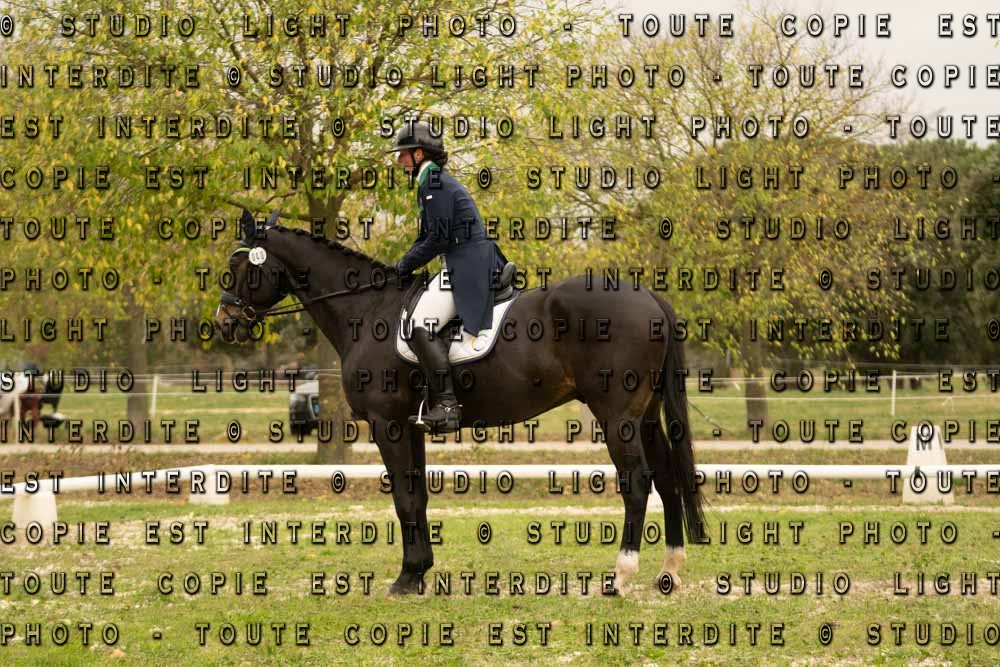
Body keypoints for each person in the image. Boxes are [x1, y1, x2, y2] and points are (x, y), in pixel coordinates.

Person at [386, 120, 507, 432]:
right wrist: (400, 265)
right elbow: (426, 237)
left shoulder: (434, 183)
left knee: (419, 325)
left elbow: (437, 239)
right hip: (463, 260)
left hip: (467, 264)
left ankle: (448, 406)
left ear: (418, 154)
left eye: (402, 154)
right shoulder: (432, 182)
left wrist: (403, 265)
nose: (398, 160)